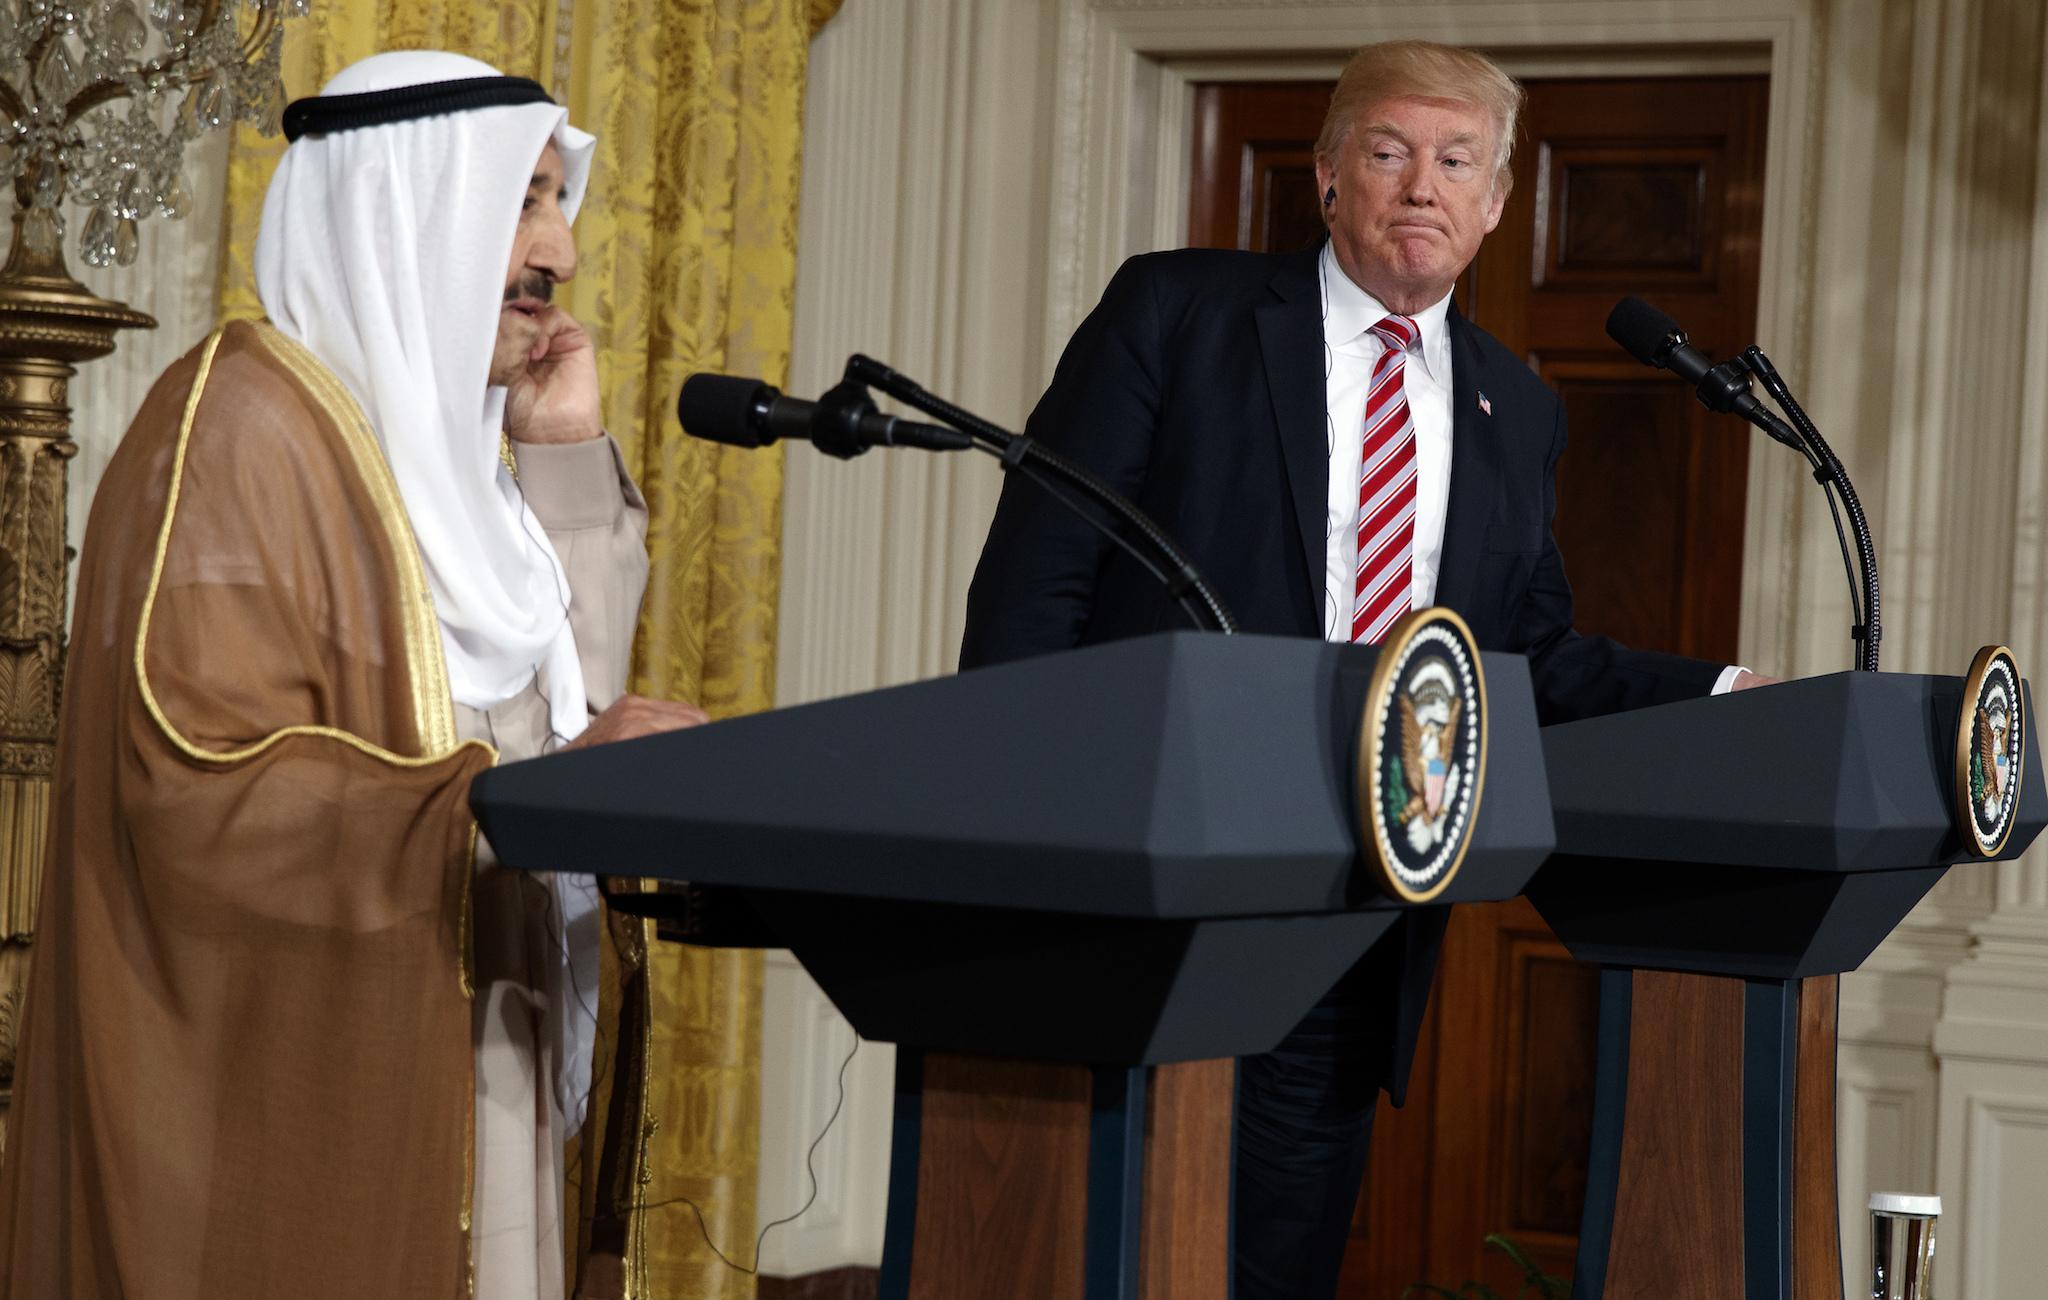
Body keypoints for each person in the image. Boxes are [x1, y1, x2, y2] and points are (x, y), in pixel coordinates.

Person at [960, 39, 1774, 1300]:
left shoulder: (1516, 404)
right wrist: (1020, 840)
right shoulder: (1180, 314)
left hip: (1354, 909)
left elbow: (1529, 655)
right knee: (1091, 1250)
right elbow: (1038, 577)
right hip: (1144, 876)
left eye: (1456, 161)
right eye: (1388, 153)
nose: (1420, 187)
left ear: (1497, 202)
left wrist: (1722, 698)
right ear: (1328, 177)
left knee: (1273, 1261)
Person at [0, 51, 701, 1300]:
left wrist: (561, 458)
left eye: (557, 204)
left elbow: (567, 711)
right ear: (411, 212)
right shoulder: (236, 429)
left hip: (487, 1040)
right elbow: (196, 783)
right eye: (524, 203)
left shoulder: (456, 458)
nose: (561, 256)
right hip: (314, 1067)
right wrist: (490, 810)